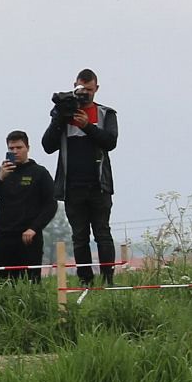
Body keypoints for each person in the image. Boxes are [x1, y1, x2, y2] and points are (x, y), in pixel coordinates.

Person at [42, 68, 120, 286]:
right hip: (72, 186)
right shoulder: (63, 114)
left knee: (102, 233)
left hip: (99, 185)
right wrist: (59, 118)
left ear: (96, 89)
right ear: (73, 86)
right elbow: (47, 146)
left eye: (89, 89)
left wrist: (87, 126)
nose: (84, 93)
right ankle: (86, 279)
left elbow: (110, 142)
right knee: (79, 236)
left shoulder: (106, 114)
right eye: (81, 89)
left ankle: (108, 279)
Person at [0, 130, 56, 283]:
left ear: (27, 148)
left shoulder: (40, 173)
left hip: (29, 238)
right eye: (11, 149)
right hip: (4, 236)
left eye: (19, 147)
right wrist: (0, 178)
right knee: (2, 282)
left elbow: (51, 205)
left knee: (31, 282)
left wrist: (34, 228)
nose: (15, 151)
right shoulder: (1, 172)